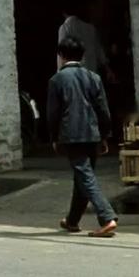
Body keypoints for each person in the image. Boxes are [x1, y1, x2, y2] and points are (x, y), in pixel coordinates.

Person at [48, 36, 118, 238]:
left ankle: (107, 217)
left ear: (61, 56)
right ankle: (72, 220)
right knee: (83, 176)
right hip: (92, 132)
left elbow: (53, 113)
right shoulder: (93, 77)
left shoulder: (57, 80)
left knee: (85, 177)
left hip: (72, 134)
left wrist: (54, 137)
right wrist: (105, 135)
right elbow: (103, 110)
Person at [58, 0, 110, 80]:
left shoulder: (65, 28)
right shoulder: (90, 28)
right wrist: (109, 71)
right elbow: (100, 53)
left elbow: (63, 56)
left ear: (63, 12)